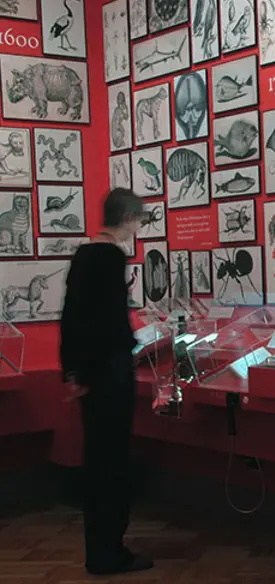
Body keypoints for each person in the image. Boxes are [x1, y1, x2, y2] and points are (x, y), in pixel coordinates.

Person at [60, 188, 153, 576]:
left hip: (89, 378)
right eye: (139, 219)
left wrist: (73, 372)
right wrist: (130, 346)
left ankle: (99, 548)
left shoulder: (83, 255)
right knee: (113, 463)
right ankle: (109, 551)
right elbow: (113, 323)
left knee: (96, 462)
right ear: (129, 219)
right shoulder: (112, 257)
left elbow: (72, 318)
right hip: (112, 375)